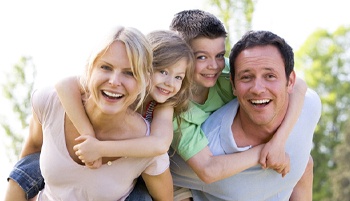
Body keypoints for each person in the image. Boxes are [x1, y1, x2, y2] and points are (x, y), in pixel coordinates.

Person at [4, 29, 194, 200]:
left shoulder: (162, 108)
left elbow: (159, 145)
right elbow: (63, 84)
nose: (170, 83)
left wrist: (100, 149)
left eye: (129, 73)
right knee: (28, 166)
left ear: (142, 76)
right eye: (106, 67)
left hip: (134, 179)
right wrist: (88, 135)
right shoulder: (57, 101)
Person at [168, 9, 311, 201]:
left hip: (227, 151)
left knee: (305, 164)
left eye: (219, 55)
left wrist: (278, 142)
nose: (214, 65)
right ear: (178, 54)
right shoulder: (175, 107)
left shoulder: (226, 73)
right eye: (201, 57)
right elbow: (207, 170)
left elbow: (299, 85)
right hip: (183, 174)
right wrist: (265, 151)